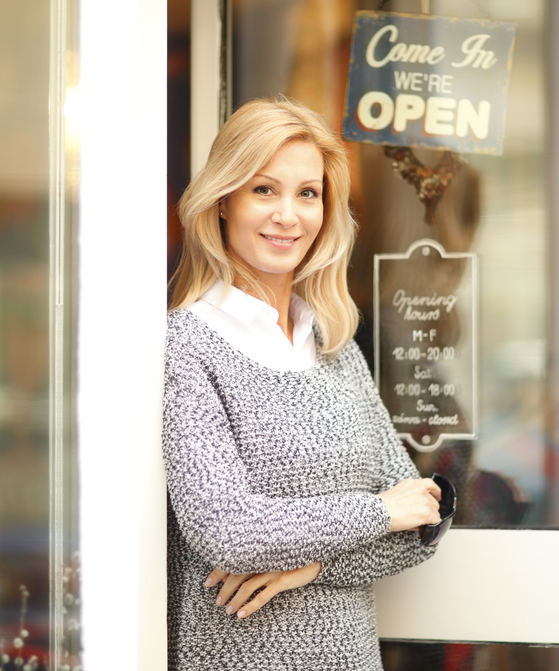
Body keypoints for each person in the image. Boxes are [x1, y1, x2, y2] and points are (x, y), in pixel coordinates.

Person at [163, 97, 443, 671]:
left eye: (307, 193)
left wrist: (309, 566)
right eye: (263, 189)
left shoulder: (335, 348)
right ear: (223, 202)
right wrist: (377, 512)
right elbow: (228, 531)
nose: (287, 215)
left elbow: (420, 521)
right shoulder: (185, 344)